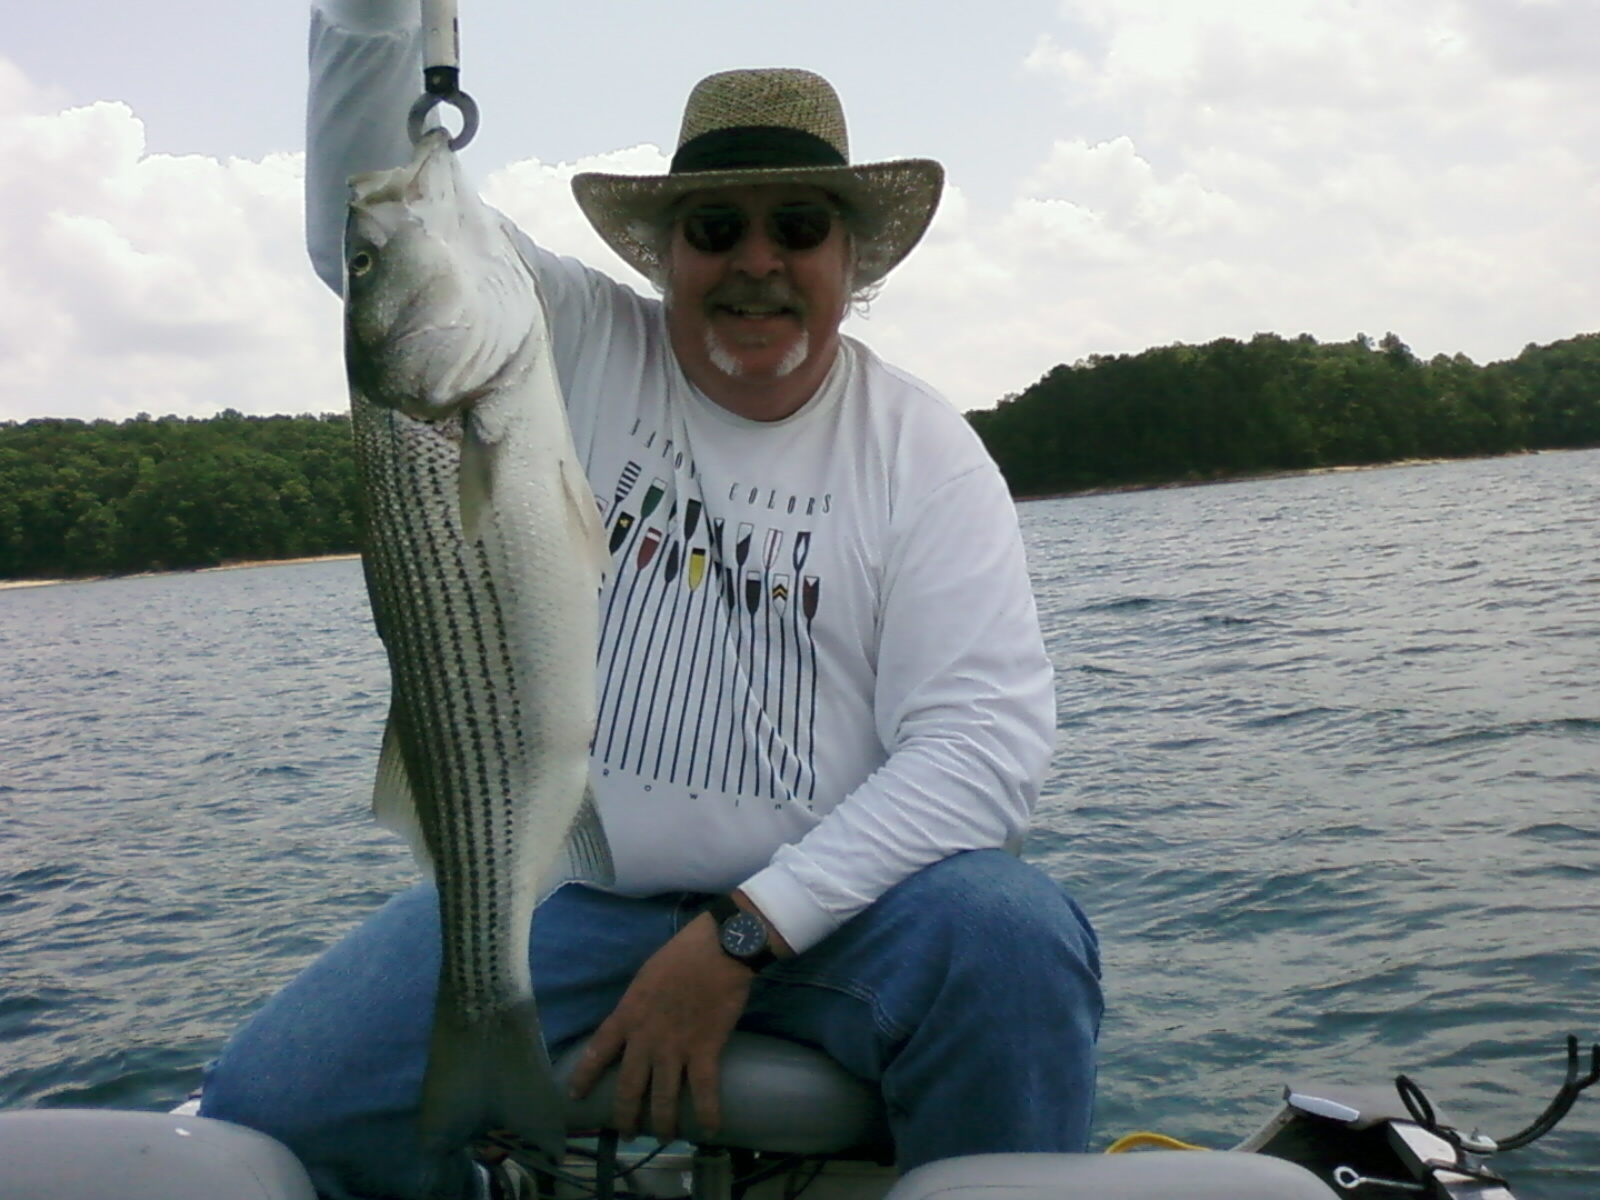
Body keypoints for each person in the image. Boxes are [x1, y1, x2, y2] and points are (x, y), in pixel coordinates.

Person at [201, 2, 1103, 1197]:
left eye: (799, 227)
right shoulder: (562, 341)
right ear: (665, 251)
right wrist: (370, 16)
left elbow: (984, 751)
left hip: (840, 913)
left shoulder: (925, 453)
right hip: (572, 897)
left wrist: (742, 934)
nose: (756, 260)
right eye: (714, 227)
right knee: (274, 1105)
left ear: (852, 260)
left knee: (1013, 937)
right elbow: (364, 220)